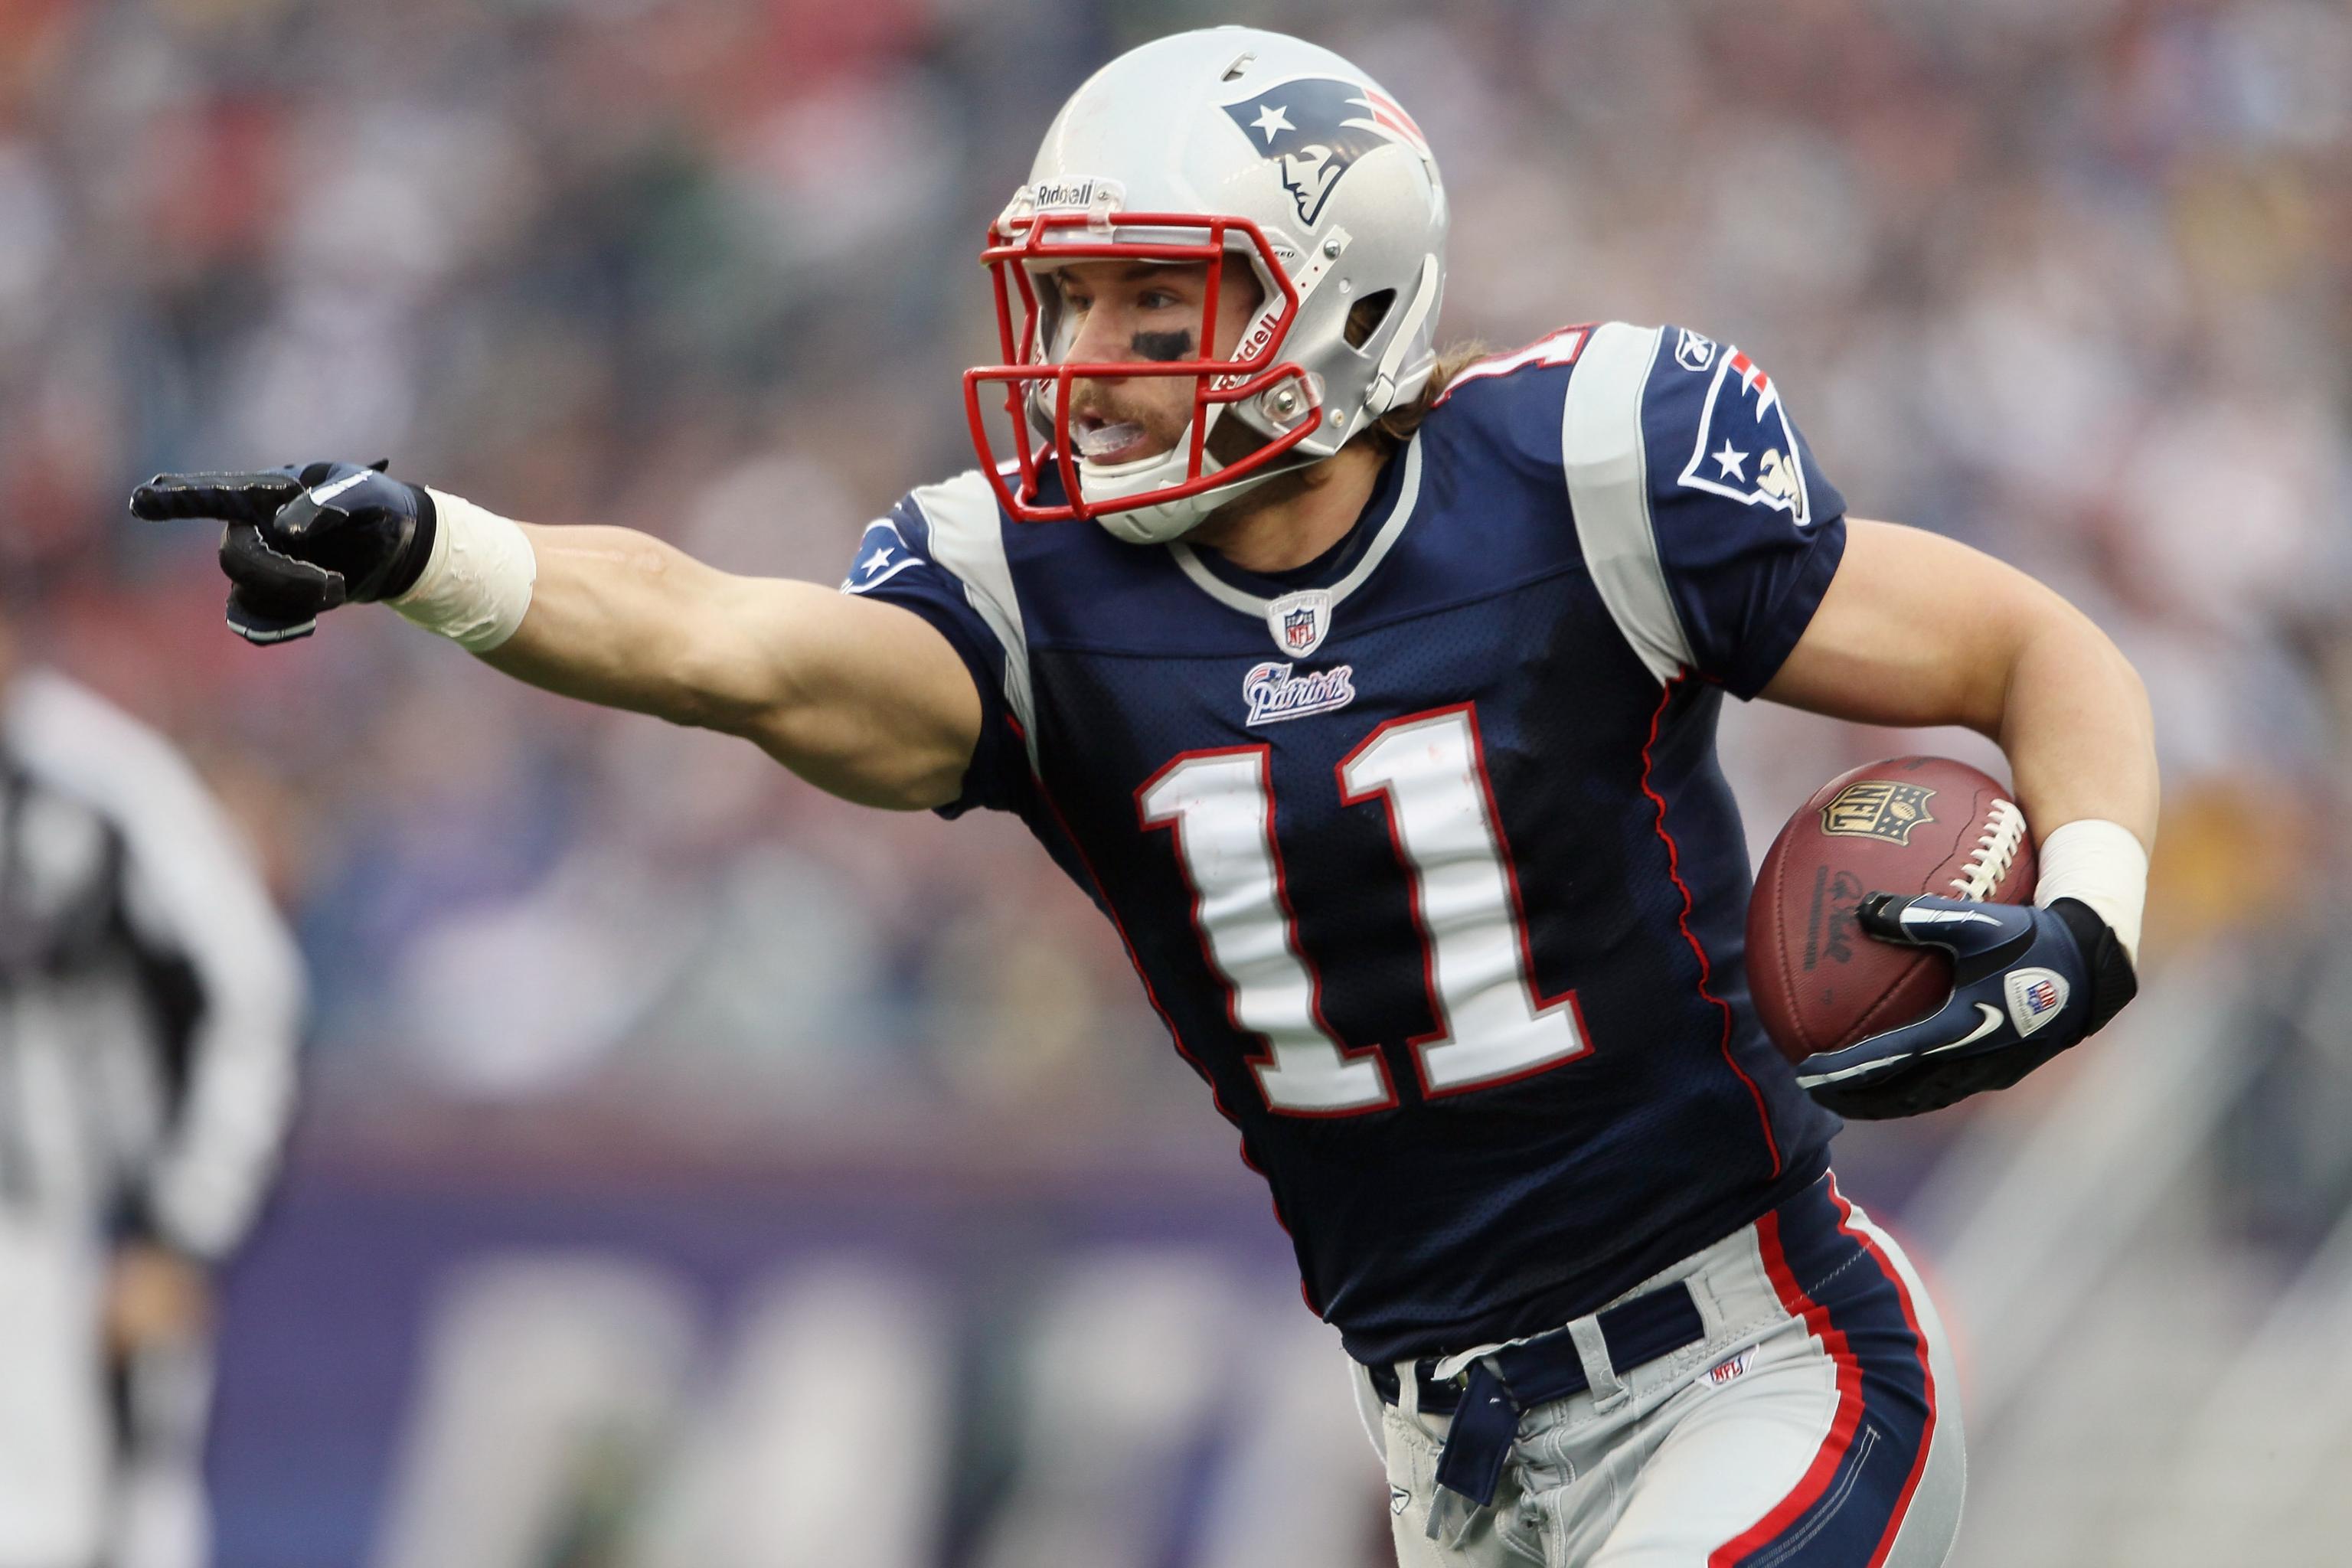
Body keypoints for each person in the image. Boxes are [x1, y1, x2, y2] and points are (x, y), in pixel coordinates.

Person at [129, 27, 2155, 1566]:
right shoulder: (1039, 605)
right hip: (1438, 1443)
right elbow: (720, 641)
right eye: (1072, 300)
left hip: (1756, 1356)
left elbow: (2025, 652)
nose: (1089, 358)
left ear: (1344, 303)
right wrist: (438, 556)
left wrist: (2092, 913)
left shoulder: (1586, 480)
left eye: (1155, 305)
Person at [0, 606, 304, 1568]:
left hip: (72, 1235)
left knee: (96, 1526)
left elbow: (249, 993)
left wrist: (178, 1230)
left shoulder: (99, 779)